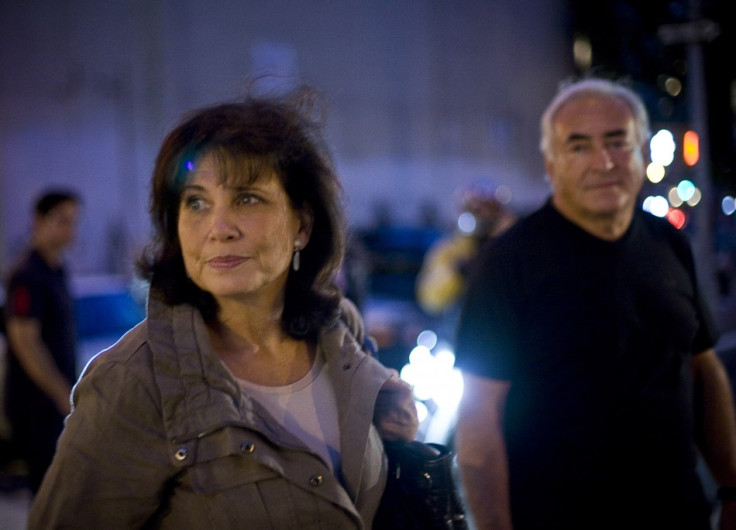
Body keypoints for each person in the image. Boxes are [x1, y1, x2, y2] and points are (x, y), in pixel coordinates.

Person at [29, 88, 418, 528]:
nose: (218, 228)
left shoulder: (338, 328)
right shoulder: (134, 383)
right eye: (196, 202)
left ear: (302, 225)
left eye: (247, 198)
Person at [453, 78, 736, 530]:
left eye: (617, 142)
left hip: (679, 514)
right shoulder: (507, 263)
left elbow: (703, 369)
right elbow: (479, 423)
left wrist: (731, 487)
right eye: (579, 146)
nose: (603, 162)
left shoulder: (669, 243)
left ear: (642, 151)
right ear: (551, 164)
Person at [3, 189, 80, 495]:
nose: (70, 229)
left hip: (53, 406)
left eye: (73, 221)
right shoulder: (27, 274)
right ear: (39, 221)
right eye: (61, 220)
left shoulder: (56, 270)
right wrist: (63, 395)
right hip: (37, 407)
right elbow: (25, 342)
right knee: (49, 495)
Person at [416, 180, 516, 318]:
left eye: (491, 209)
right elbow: (430, 299)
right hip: (459, 331)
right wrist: (457, 272)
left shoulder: (513, 249)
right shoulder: (449, 251)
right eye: (477, 210)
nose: (485, 215)